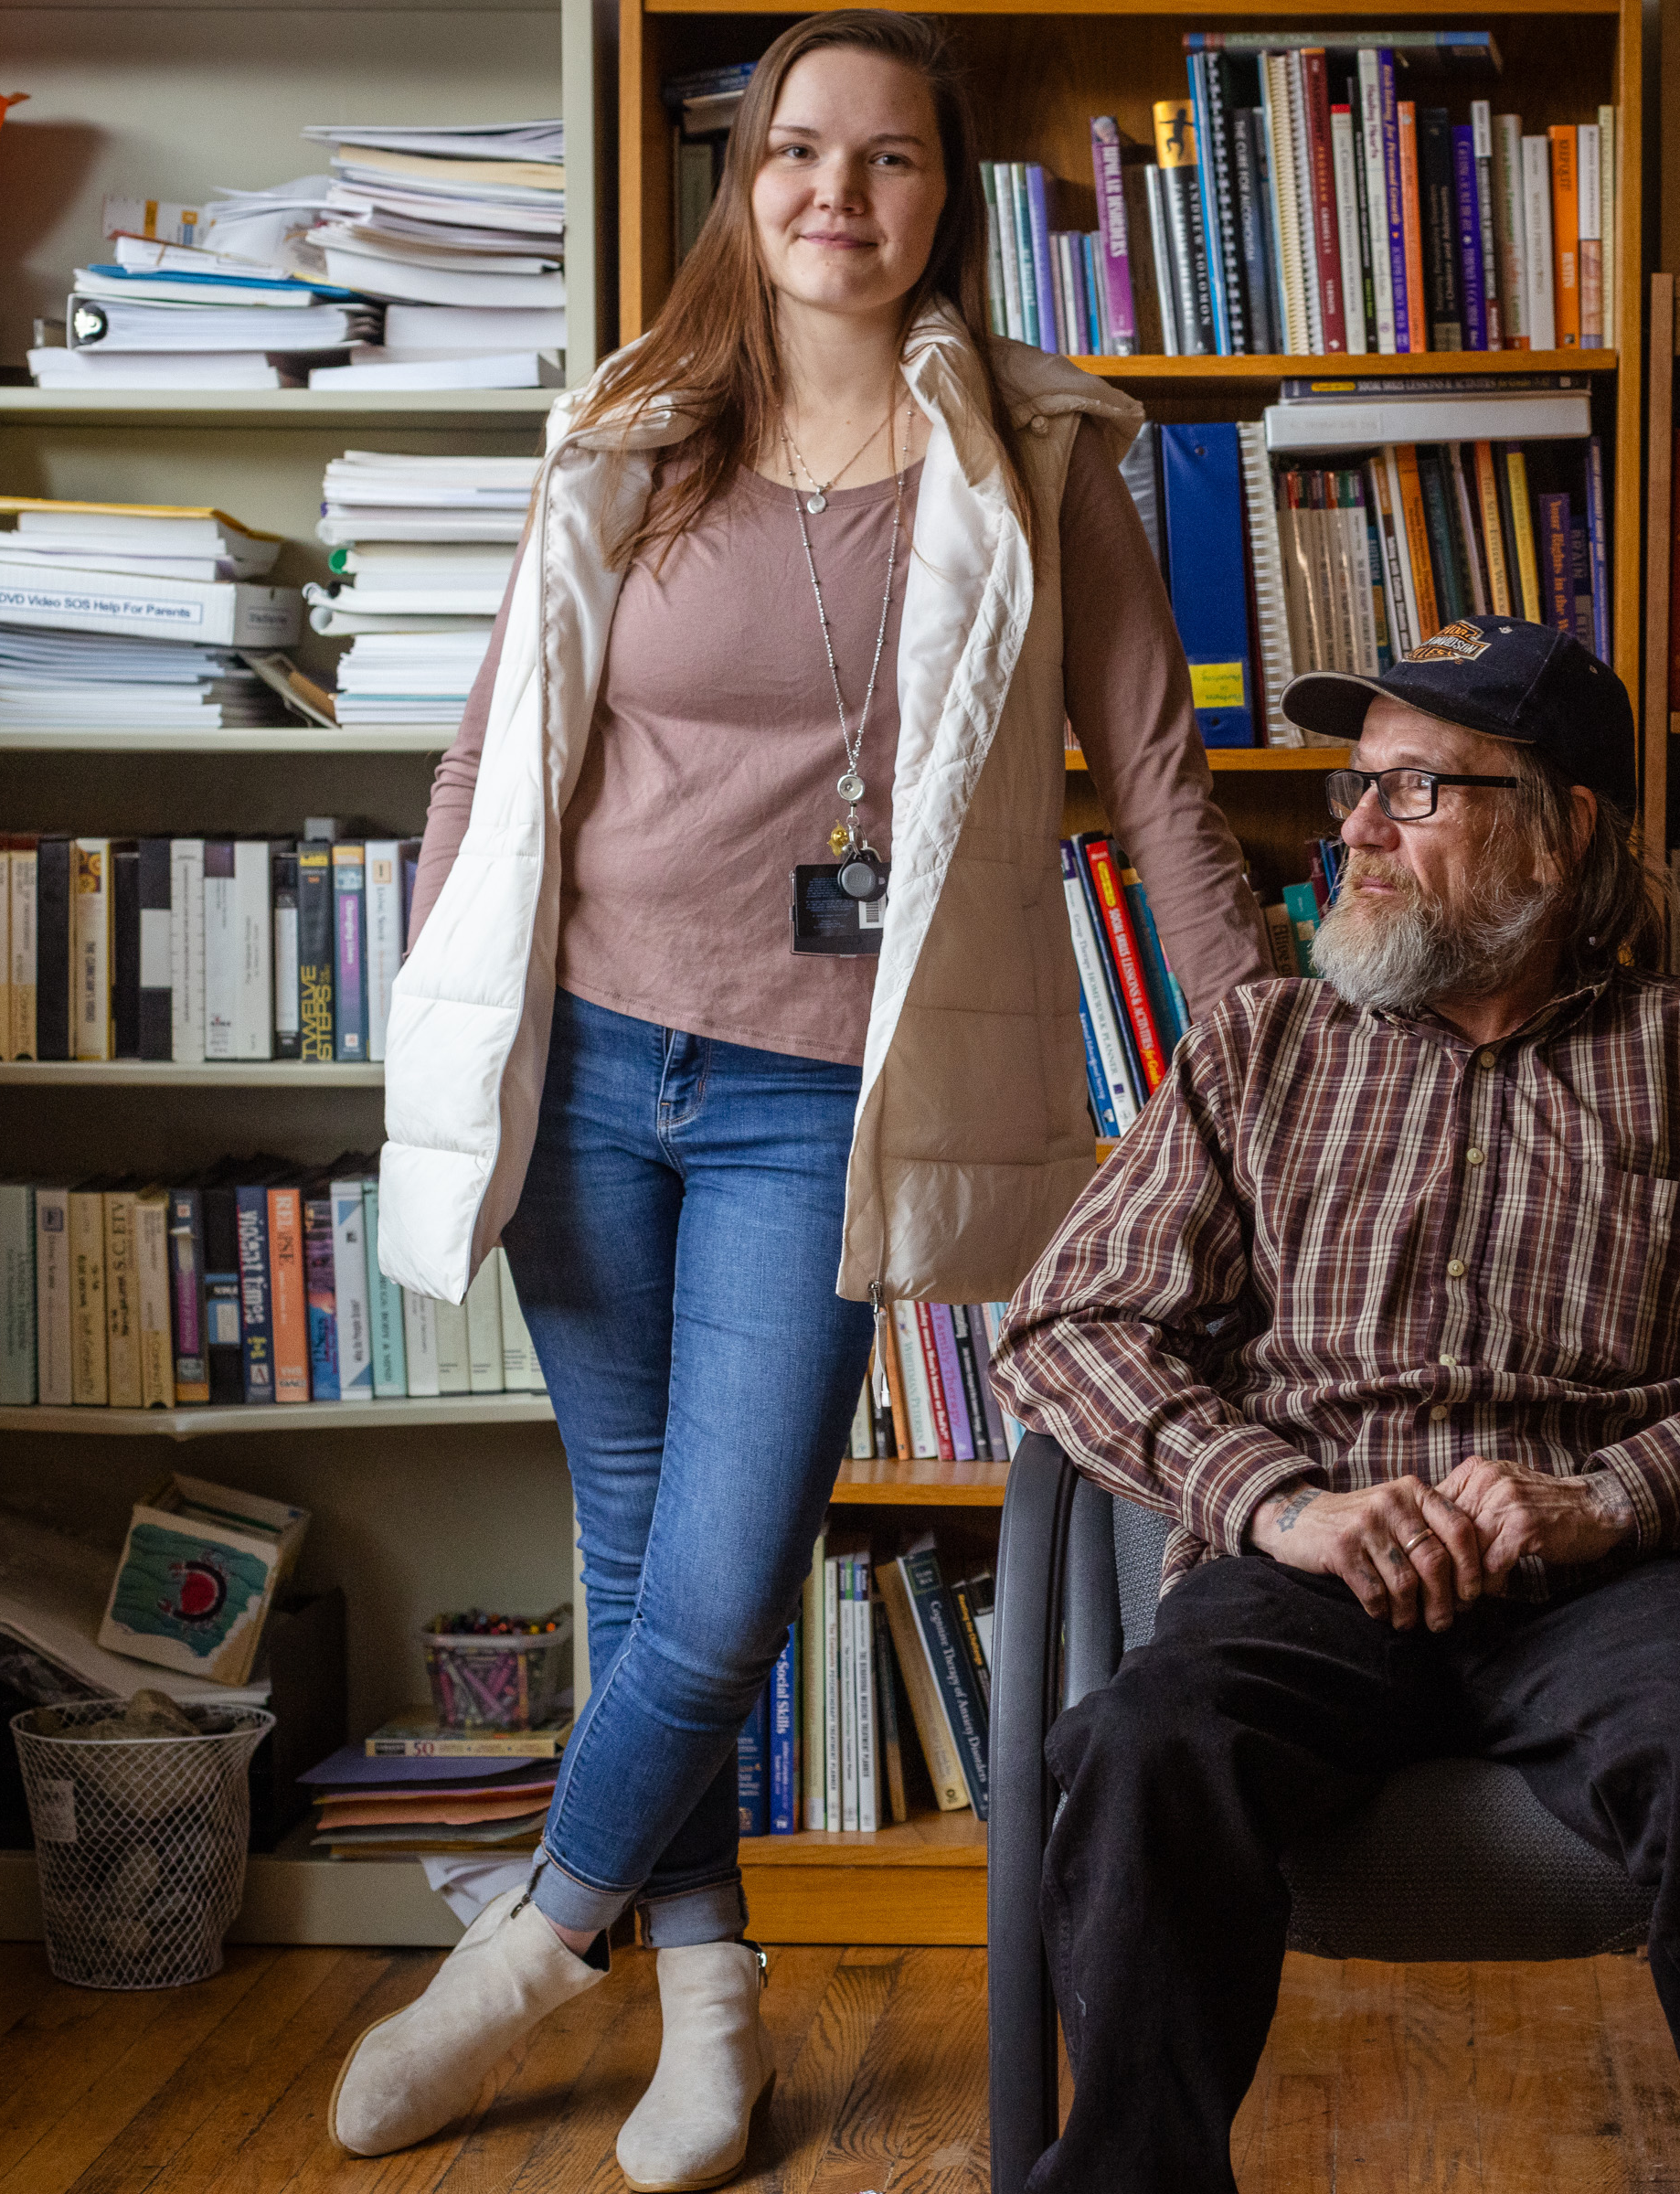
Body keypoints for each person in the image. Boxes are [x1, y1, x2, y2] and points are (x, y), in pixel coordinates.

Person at [352, 12, 1268, 2185]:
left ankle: (517, 1956)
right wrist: (442, 1011)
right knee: (638, 1560)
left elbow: (1155, 783)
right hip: (584, 1067)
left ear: (948, 205)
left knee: (723, 1583)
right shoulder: (629, 431)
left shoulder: (1042, 456)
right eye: (795, 153)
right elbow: (490, 766)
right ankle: (710, 2023)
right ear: (742, 184)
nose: (835, 195)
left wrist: (1269, 1065)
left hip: (811, 1099)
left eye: (888, 162)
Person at [991, 613, 1680, 2194]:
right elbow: (1067, 1325)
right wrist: (1279, 1505)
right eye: (1356, 793)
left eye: (1416, 794)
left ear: (1561, 824)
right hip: (1316, 1563)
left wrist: (1626, 1490)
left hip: (1615, 1577)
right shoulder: (1262, 1050)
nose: (1355, 832)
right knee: (1147, 1742)